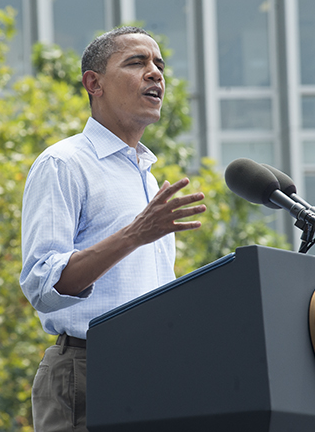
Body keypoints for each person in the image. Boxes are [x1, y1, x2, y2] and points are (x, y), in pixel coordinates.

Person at [19, 26, 207, 432]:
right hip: (88, 371)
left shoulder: (148, 178)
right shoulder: (64, 164)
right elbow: (42, 283)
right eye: (137, 62)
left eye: (159, 64)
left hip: (154, 377)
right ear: (94, 83)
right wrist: (134, 235)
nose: (155, 73)